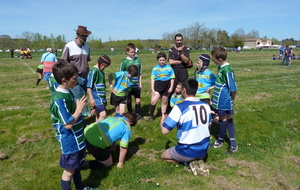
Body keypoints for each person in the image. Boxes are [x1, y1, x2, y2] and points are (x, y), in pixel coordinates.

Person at [50, 59, 93, 190]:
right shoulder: (59, 100)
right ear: (64, 80)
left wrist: (83, 114)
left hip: (77, 138)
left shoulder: (68, 91)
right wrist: (79, 109)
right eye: (75, 78)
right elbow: (68, 124)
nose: (78, 80)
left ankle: (80, 187)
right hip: (69, 141)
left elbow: (73, 114)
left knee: (76, 165)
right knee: (69, 171)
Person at [160, 78, 211, 177]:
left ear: (184, 90)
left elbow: (164, 131)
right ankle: (194, 160)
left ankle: (186, 163)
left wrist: (162, 121)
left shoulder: (180, 107)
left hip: (186, 150)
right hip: (204, 150)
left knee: (163, 156)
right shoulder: (206, 106)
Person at [210, 47, 238, 154]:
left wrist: (232, 100)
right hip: (219, 99)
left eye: (214, 59)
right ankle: (221, 141)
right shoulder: (221, 67)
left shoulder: (227, 70)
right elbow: (221, 83)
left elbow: (233, 87)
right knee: (224, 120)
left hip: (224, 100)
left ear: (220, 58)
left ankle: (232, 145)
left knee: (225, 120)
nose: (213, 61)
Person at [62, 25, 92, 92]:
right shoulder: (69, 46)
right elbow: (63, 63)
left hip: (85, 77)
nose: (85, 37)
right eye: (83, 35)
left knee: (83, 99)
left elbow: (86, 62)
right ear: (77, 34)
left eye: (86, 36)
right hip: (74, 78)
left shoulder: (87, 47)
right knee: (77, 100)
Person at [149, 52, 175, 121]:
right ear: (158, 60)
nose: (162, 62)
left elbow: (172, 78)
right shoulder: (155, 68)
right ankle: (151, 115)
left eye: (163, 60)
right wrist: (152, 89)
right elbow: (152, 79)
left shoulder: (169, 68)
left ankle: (163, 114)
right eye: (160, 60)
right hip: (158, 86)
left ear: (165, 60)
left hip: (166, 86)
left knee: (164, 101)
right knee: (153, 101)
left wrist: (171, 87)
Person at [120, 43, 143, 118]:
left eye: (134, 52)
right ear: (127, 51)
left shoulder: (138, 60)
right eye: (132, 52)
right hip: (128, 85)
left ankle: (138, 114)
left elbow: (140, 73)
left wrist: (140, 83)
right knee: (129, 99)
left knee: (138, 100)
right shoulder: (124, 61)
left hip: (136, 84)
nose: (133, 53)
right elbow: (121, 74)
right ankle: (130, 113)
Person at [86, 55, 111, 122]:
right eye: (104, 66)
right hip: (96, 98)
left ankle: (97, 130)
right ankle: (99, 129)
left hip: (101, 98)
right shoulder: (94, 71)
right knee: (103, 114)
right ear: (101, 63)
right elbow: (89, 86)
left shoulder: (101, 72)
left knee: (98, 115)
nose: (105, 68)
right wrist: (91, 98)